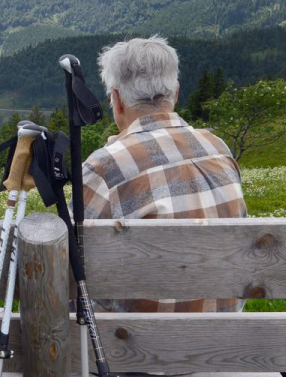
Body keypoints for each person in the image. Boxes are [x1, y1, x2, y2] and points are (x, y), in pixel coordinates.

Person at [83, 35, 247, 314]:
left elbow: (77, 270)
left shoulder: (104, 167)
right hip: (226, 343)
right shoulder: (219, 149)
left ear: (117, 100)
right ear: (176, 93)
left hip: (132, 349)